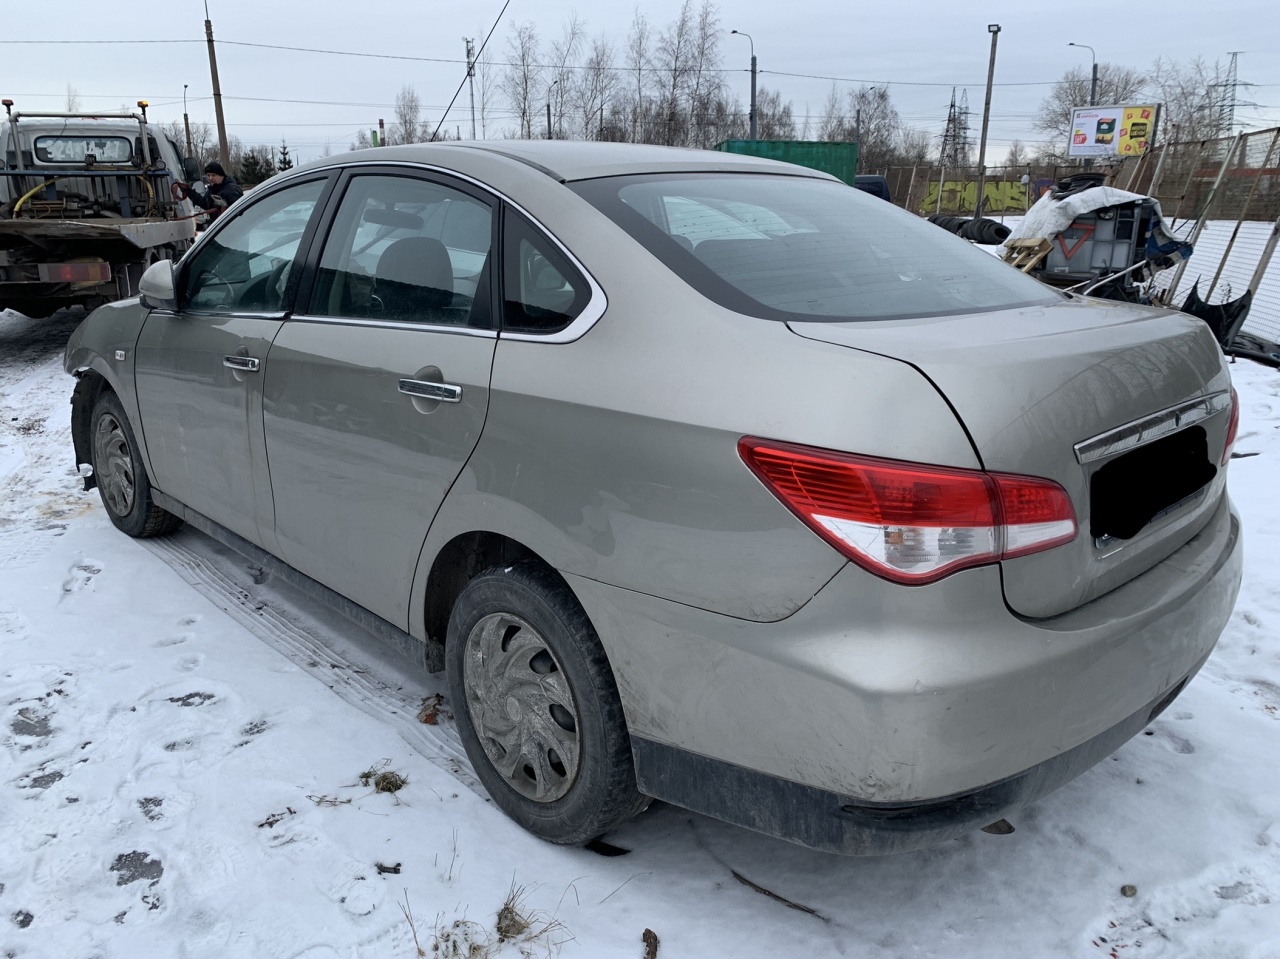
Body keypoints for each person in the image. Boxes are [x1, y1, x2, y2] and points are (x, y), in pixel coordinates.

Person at [177, 161, 244, 221]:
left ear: (221, 175)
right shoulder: (213, 189)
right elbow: (204, 203)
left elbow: (238, 213)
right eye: (208, 175)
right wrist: (188, 191)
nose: (210, 178)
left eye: (213, 175)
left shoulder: (231, 190)